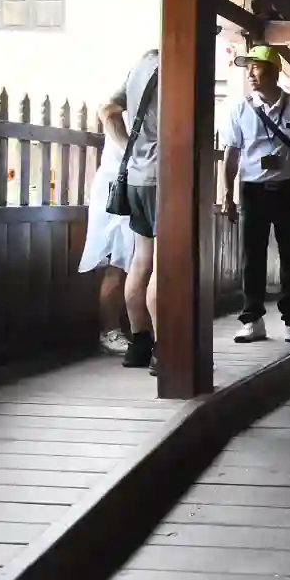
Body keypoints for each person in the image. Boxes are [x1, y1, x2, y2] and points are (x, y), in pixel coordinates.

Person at [222, 46, 290, 344]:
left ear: (274, 72)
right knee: (252, 257)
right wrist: (228, 193)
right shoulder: (240, 109)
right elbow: (231, 153)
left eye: (257, 67)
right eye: (248, 68)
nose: (250, 74)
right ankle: (252, 320)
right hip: (252, 190)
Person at [98, 49, 160, 371]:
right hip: (165, 179)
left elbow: (108, 110)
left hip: (136, 178)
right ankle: (165, 348)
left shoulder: (142, 66)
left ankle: (139, 345)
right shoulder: (178, 65)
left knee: (140, 261)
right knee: (164, 266)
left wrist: (130, 150)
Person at [78, 131, 136, 356]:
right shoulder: (119, 115)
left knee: (136, 265)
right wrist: (136, 152)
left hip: (138, 185)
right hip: (119, 189)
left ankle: (136, 330)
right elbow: (110, 115)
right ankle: (110, 331)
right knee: (117, 264)